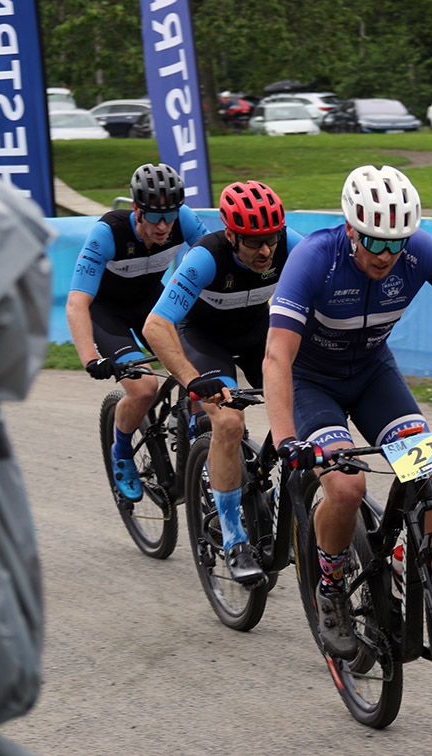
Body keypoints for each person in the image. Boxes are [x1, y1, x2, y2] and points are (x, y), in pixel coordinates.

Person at [263, 164, 432, 658]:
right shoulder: (314, 258)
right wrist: (285, 439)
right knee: (346, 487)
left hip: (373, 375)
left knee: (428, 471)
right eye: (375, 242)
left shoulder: (419, 251)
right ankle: (331, 587)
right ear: (351, 230)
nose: (387, 255)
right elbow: (277, 355)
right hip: (312, 383)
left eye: (397, 243)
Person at [143, 180, 303, 585]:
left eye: (271, 238)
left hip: (256, 332)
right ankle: (233, 539)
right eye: (253, 242)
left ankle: (270, 491)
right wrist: (192, 380)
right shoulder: (205, 258)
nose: (265, 251)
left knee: (306, 404)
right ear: (231, 235)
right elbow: (156, 325)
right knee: (229, 422)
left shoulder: (290, 245)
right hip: (204, 339)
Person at [67, 163, 207, 502]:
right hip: (107, 313)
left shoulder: (184, 220)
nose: (163, 226)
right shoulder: (108, 233)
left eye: (169, 217)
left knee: (199, 367)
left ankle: (194, 433)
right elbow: (76, 303)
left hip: (150, 303)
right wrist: (90, 359)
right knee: (144, 388)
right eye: (154, 217)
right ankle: (122, 450)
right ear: (136, 209)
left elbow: (214, 259)